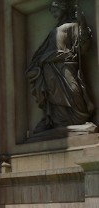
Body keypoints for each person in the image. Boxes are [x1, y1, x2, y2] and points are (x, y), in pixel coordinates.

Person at [26, 0, 94, 134]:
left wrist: (83, 22)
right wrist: (37, 64)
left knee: (74, 90)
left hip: (67, 64)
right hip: (49, 67)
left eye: (55, 10)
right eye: (52, 11)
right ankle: (56, 123)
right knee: (53, 97)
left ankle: (78, 120)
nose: (53, 13)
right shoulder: (54, 30)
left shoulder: (73, 26)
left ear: (63, 8)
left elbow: (84, 47)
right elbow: (43, 51)